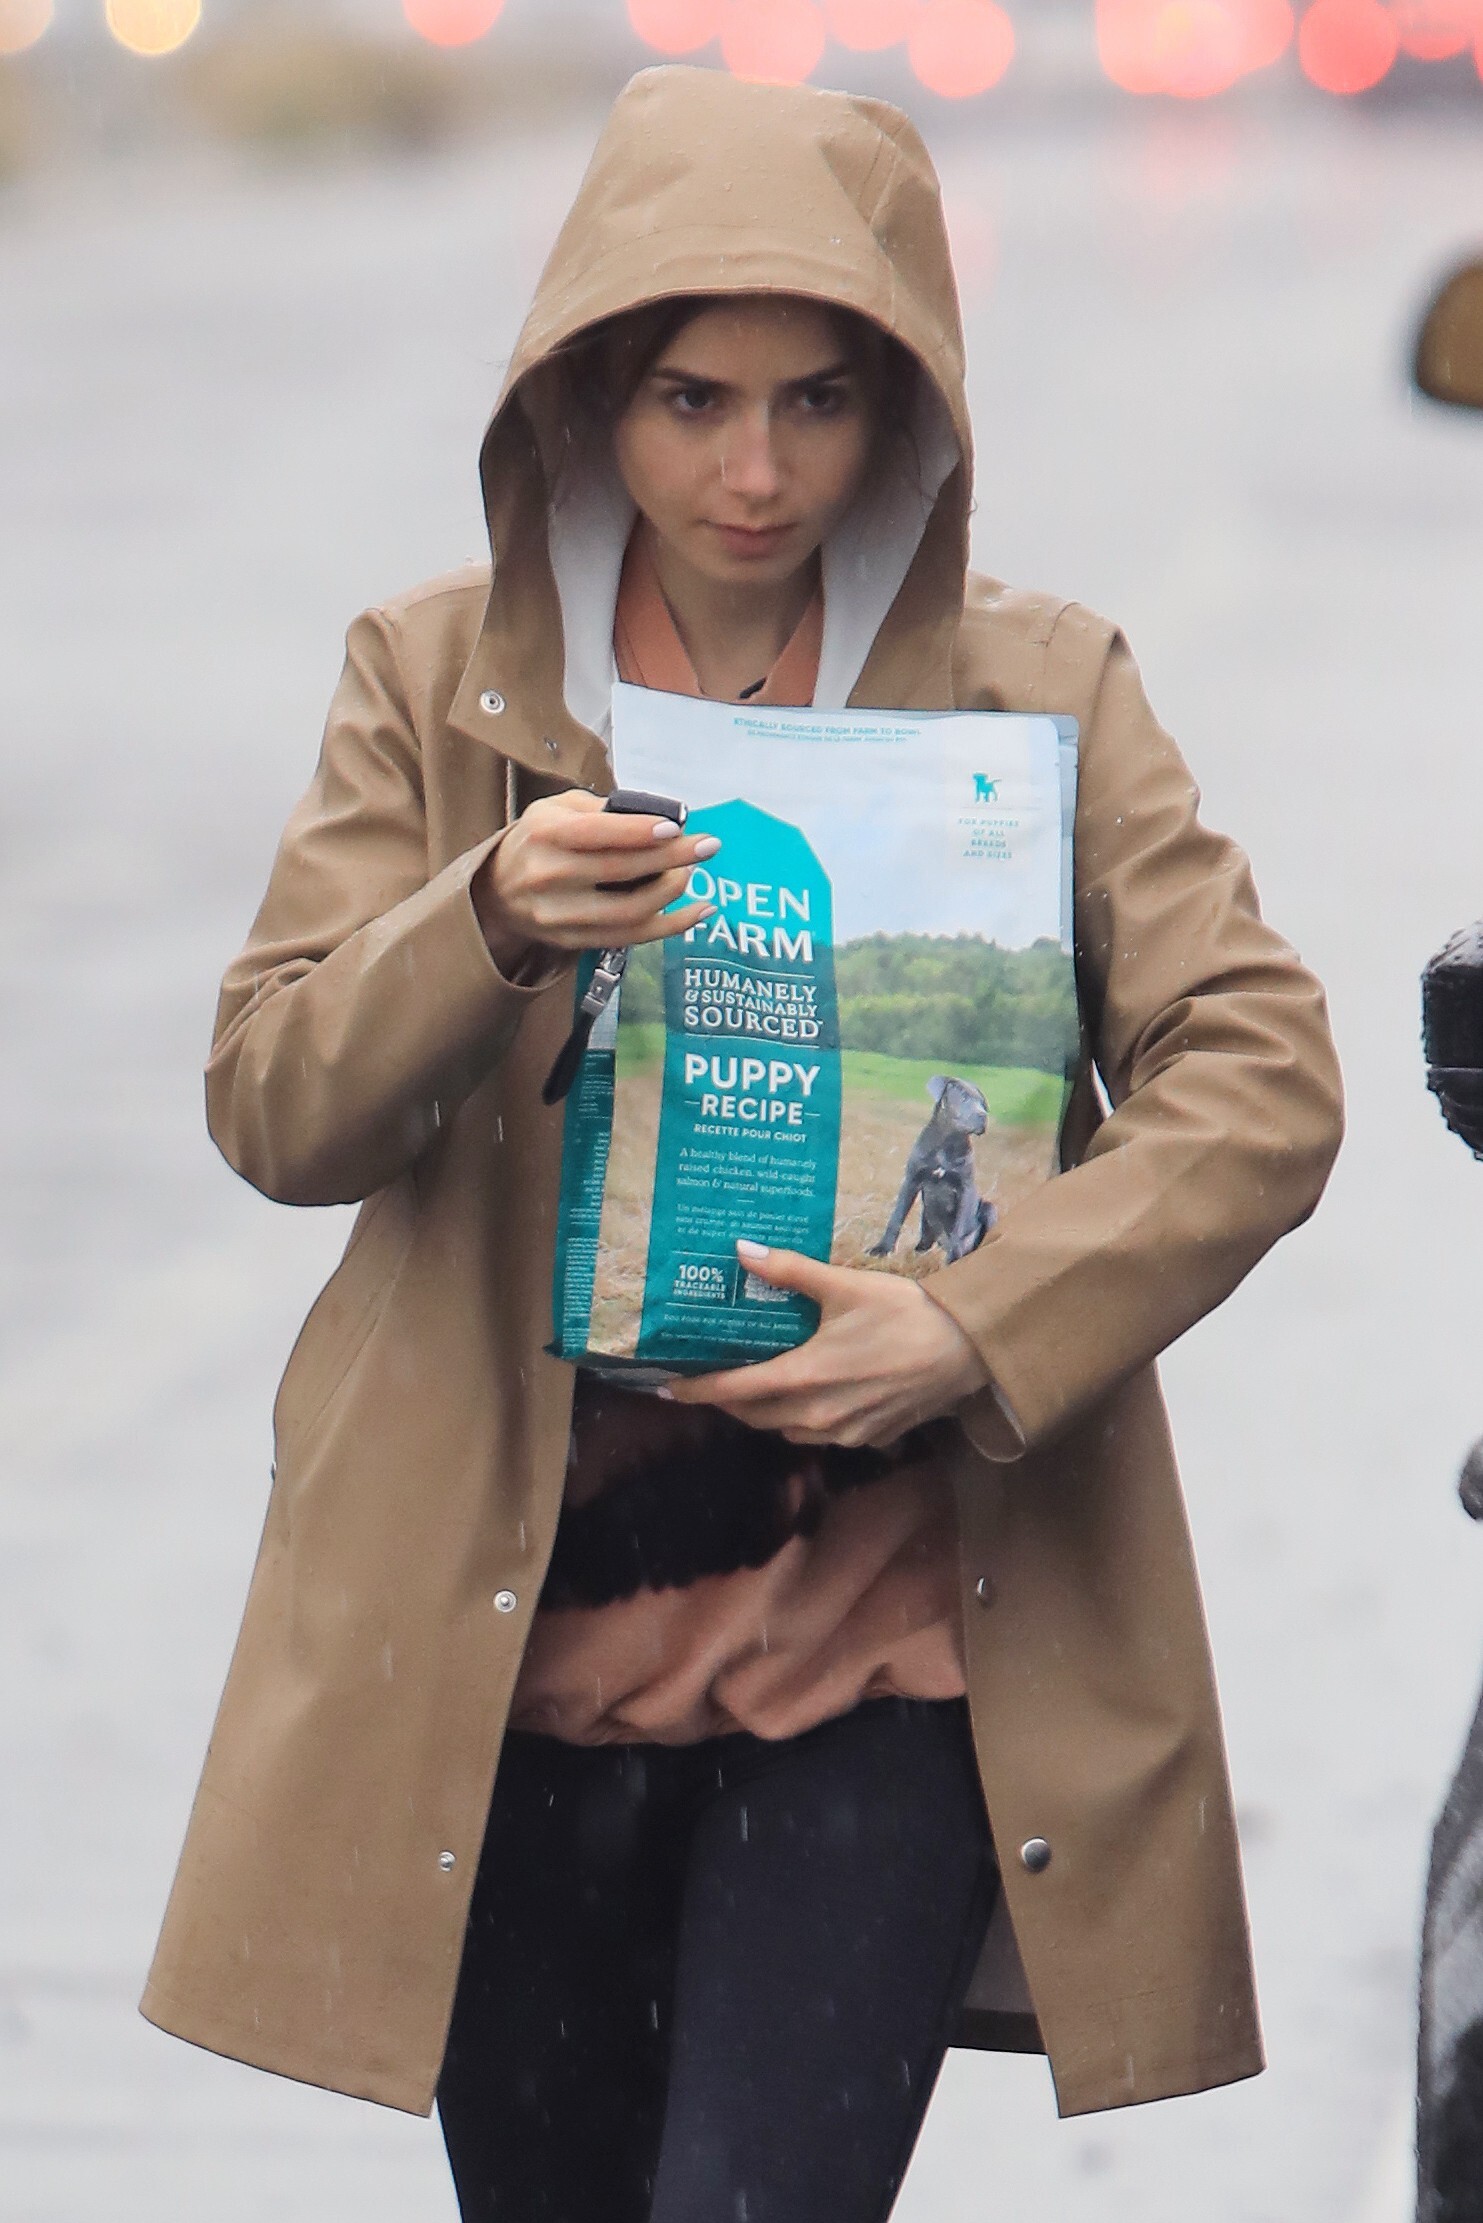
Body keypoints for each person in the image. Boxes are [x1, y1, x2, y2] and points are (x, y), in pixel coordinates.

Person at [142, 65, 1344, 2223]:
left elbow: (1258, 1068)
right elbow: (275, 1101)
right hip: (499, 1675)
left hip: (879, 1667)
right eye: (693, 399)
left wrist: (972, 1327)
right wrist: (485, 918)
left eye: (821, 401)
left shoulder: (1037, 692)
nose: (758, 470)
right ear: (587, 395)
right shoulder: (433, 684)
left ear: (910, 411)